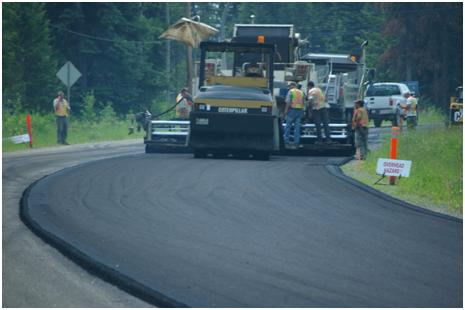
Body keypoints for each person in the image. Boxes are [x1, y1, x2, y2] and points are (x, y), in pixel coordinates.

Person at [284, 81, 305, 148]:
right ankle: (296, 142)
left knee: (288, 126)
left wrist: (285, 111)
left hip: (292, 110)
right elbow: (304, 103)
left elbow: (288, 102)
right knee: (297, 127)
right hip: (299, 111)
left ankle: (286, 141)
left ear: (292, 85)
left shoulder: (291, 91)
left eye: (289, 86)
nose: (289, 88)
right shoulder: (301, 92)